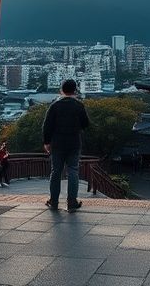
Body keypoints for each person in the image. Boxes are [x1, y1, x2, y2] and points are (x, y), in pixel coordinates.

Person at [41, 78, 90, 211]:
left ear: (61, 90)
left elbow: (47, 126)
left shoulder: (55, 106)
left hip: (57, 143)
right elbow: (86, 124)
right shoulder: (79, 106)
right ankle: (72, 202)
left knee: (56, 171)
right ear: (75, 90)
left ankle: (54, 201)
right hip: (74, 142)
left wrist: (47, 142)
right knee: (73, 170)